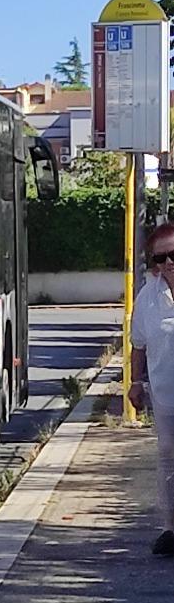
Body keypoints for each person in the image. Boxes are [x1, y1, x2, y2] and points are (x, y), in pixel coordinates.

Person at [129, 222, 174, 556]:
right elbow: (139, 344)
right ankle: (170, 528)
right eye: (161, 259)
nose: (169, 263)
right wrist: (135, 383)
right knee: (167, 458)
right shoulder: (149, 297)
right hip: (165, 395)